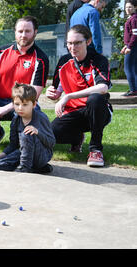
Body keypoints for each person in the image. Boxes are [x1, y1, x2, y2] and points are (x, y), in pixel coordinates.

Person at [46, 24, 112, 167]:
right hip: (74, 112)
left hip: (97, 111)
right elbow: (57, 91)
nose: (72, 47)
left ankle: (96, 150)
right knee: (51, 133)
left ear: (88, 42)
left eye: (77, 43)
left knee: (95, 98)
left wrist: (68, 96)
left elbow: (103, 87)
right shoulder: (64, 61)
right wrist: (51, 93)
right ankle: (76, 137)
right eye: (69, 43)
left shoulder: (99, 60)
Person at [0, 16, 49, 121]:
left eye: (28, 31)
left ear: (35, 32)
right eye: (20, 31)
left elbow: (33, 94)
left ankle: (21, 136)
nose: (23, 35)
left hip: (24, 103)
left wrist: (5, 109)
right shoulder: (1, 52)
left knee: (34, 116)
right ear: (15, 32)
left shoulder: (41, 59)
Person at [0, 83, 55, 173]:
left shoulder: (41, 118)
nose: (20, 108)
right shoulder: (16, 119)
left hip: (41, 154)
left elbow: (51, 143)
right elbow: (13, 144)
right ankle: (36, 168)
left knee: (26, 134)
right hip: (24, 153)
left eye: (25, 105)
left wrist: (37, 132)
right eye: (17, 104)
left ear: (33, 104)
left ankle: (25, 168)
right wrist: (1, 155)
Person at [121, 0, 137, 97]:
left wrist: (129, 47)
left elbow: (135, 35)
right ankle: (134, 88)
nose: (128, 9)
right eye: (126, 7)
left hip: (133, 47)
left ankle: (133, 89)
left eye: (130, 7)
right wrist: (125, 46)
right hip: (130, 46)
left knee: (128, 68)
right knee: (134, 68)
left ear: (135, 7)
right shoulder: (131, 18)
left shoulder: (134, 19)